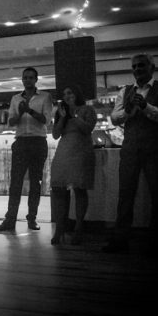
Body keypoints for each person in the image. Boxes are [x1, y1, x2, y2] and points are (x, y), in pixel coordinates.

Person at [103, 54, 158, 253]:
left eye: (141, 65)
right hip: (130, 148)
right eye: (134, 66)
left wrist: (145, 106)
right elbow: (115, 118)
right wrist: (128, 111)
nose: (137, 69)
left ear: (152, 68)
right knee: (125, 194)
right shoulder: (125, 91)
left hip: (155, 148)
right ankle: (121, 239)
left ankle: (157, 242)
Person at [0, 67, 53, 232]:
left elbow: (46, 120)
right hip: (20, 142)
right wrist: (21, 114)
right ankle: (10, 220)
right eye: (25, 77)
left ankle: (32, 219)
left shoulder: (45, 97)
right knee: (15, 182)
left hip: (38, 141)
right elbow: (11, 122)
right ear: (22, 80)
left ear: (36, 80)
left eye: (30, 77)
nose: (27, 80)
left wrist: (29, 111)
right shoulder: (15, 98)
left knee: (35, 182)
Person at [49, 85, 96, 245]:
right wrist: (63, 117)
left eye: (69, 93)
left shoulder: (88, 110)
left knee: (79, 188)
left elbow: (87, 129)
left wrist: (74, 116)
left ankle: (78, 227)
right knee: (59, 188)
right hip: (64, 150)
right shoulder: (61, 111)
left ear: (77, 94)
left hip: (81, 150)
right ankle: (60, 228)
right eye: (64, 94)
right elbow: (55, 135)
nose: (67, 96)